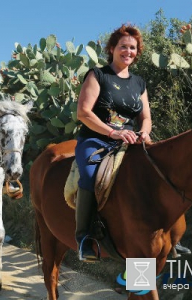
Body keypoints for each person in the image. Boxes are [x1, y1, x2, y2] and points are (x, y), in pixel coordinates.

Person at [75, 24, 152, 262]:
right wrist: (112, 133)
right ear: (112, 48)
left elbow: (146, 117)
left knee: (161, 172)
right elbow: (84, 112)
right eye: (123, 47)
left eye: (132, 48)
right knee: (89, 174)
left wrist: (145, 133)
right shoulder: (98, 75)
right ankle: (84, 238)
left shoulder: (139, 82)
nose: (128, 51)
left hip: (131, 141)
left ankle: (169, 233)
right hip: (96, 139)